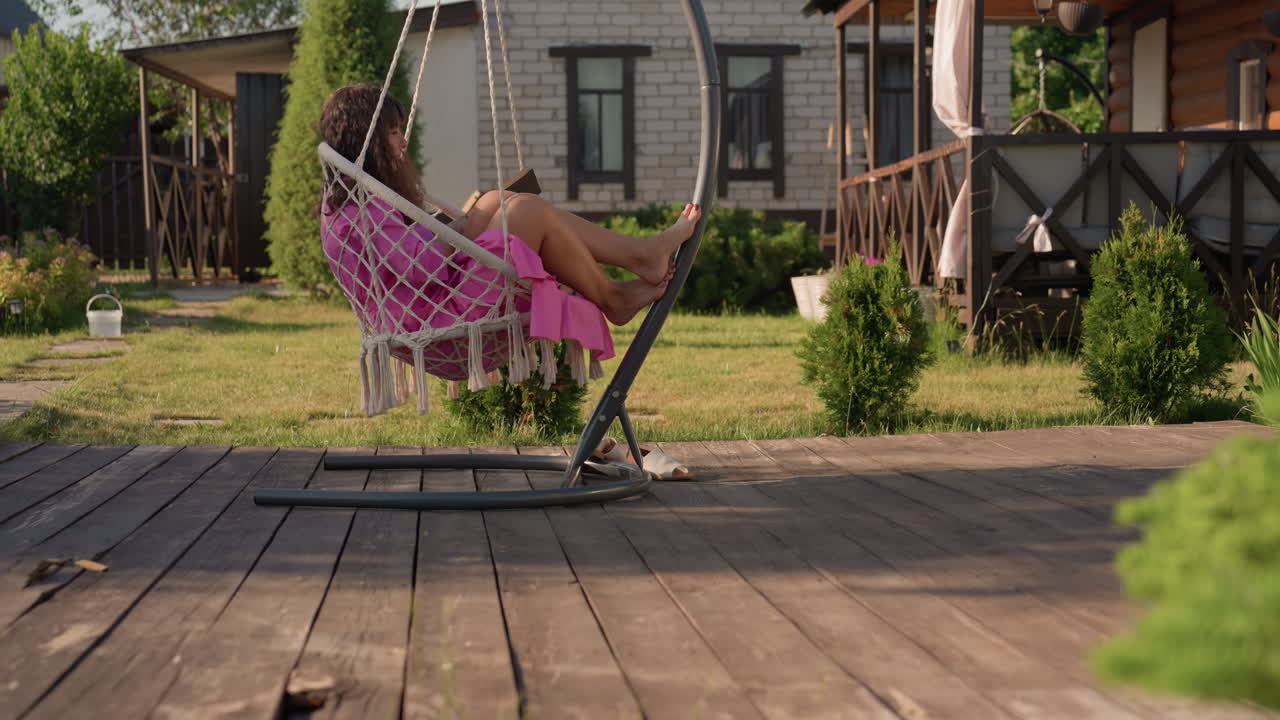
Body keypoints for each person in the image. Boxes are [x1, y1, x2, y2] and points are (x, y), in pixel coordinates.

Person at [318, 83, 699, 330]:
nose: (403, 141)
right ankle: (618, 286)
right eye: (393, 132)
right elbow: (421, 268)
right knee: (520, 211)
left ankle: (637, 260)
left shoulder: (359, 199)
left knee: (501, 201)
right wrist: (464, 227)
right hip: (432, 314)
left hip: (439, 297)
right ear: (363, 138)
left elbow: (413, 257)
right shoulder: (360, 211)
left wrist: (471, 220)